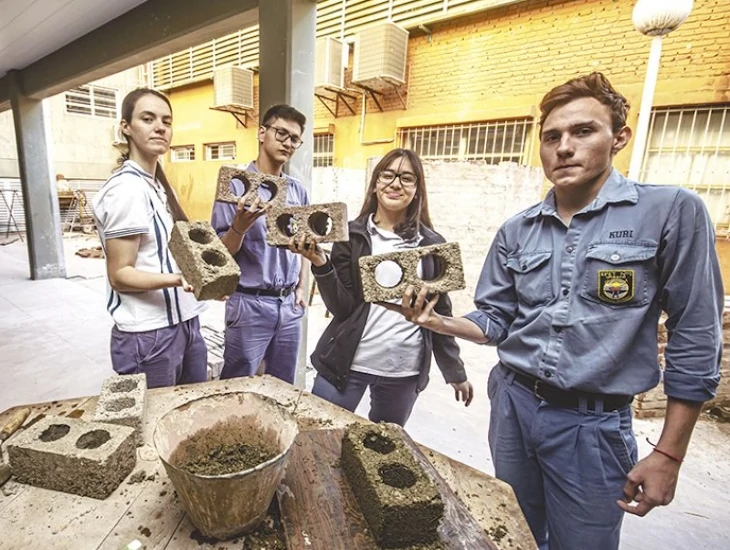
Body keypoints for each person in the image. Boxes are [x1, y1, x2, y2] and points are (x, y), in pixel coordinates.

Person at [388, 73, 723, 549]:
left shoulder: (670, 212)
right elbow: (497, 320)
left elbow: (696, 334)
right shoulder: (517, 231)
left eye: (583, 131)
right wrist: (437, 321)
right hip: (514, 404)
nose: (564, 147)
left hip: (593, 424)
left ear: (619, 138)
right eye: (552, 137)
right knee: (517, 533)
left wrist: (669, 453)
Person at [290, 148, 474, 427]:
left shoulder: (431, 244)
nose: (396, 183)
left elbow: (440, 315)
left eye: (407, 178)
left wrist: (455, 370)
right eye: (387, 175)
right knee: (317, 434)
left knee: (384, 449)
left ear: (417, 189)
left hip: (403, 371)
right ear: (375, 184)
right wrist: (319, 262)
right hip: (346, 362)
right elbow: (341, 308)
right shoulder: (350, 236)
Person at [92, 88, 208, 389]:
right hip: (149, 334)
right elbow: (120, 275)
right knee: (152, 426)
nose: (160, 127)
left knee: (187, 420)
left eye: (166, 121)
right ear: (126, 127)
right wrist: (179, 278)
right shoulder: (127, 190)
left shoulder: (156, 186)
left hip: (184, 324)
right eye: (147, 118)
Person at [212, 104, 310, 384]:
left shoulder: (297, 190)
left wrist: (302, 287)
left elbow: (304, 245)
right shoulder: (235, 186)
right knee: (237, 388)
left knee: (283, 388)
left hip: (289, 305)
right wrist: (239, 227)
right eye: (281, 133)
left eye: (294, 139)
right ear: (262, 133)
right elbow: (219, 252)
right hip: (248, 304)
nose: (288, 143)